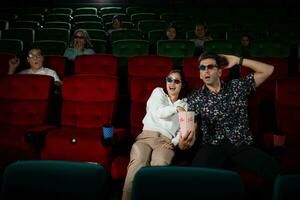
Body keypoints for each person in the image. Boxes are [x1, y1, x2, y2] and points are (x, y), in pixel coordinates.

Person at [186, 52, 279, 199]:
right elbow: (192, 126)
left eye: (210, 67)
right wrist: (189, 138)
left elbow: (269, 70)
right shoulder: (194, 98)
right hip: (212, 145)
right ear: (200, 74)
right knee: (195, 175)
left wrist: (238, 60)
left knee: (272, 167)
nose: (206, 71)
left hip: (239, 144)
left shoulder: (236, 86)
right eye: (202, 68)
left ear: (220, 72)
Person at [122, 69, 191, 200]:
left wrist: (174, 142)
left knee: (160, 164)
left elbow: (182, 130)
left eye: (177, 81)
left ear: (182, 85)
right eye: (169, 80)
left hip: (165, 142)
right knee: (139, 161)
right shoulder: (158, 93)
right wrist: (176, 109)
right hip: (146, 137)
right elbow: (158, 112)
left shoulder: (184, 105)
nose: (172, 83)